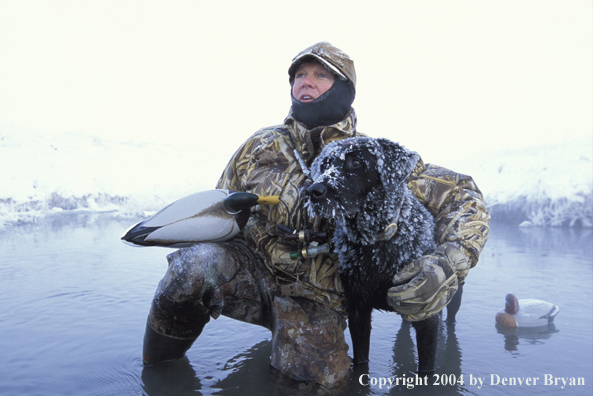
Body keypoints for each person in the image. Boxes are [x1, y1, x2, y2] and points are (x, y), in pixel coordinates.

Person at [142, 42, 490, 388]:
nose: (305, 82)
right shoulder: (259, 146)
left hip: (317, 296)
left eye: (321, 75)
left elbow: (463, 195)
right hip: (251, 274)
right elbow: (220, 208)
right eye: (299, 75)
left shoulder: (371, 155)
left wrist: (448, 261)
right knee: (190, 268)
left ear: (344, 89)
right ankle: (155, 373)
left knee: (318, 383)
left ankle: (294, 340)